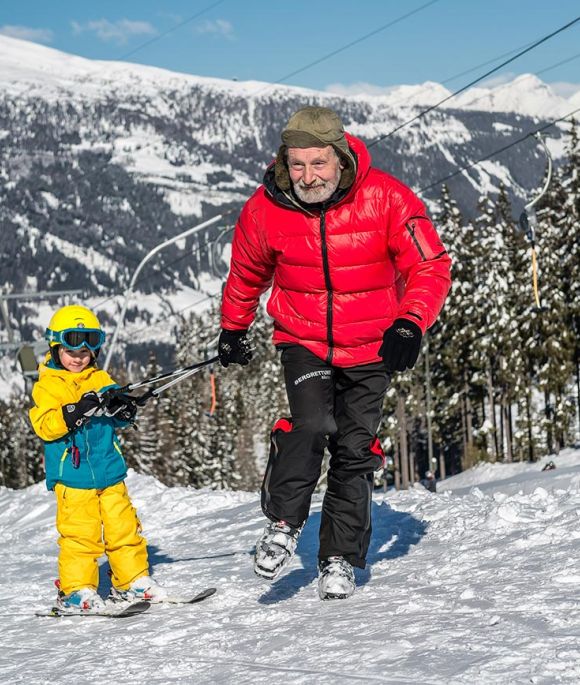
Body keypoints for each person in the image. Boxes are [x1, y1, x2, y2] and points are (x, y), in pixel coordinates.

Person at [218, 106, 451, 600]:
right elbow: (246, 273)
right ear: (285, 161)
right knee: (312, 425)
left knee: (353, 448)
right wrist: (234, 328)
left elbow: (430, 265)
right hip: (303, 339)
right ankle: (283, 522)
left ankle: (340, 556)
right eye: (297, 165)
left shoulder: (387, 198)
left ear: (340, 157)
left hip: (371, 346)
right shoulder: (266, 207)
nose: (307, 176)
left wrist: (410, 323)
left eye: (318, 163)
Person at [29, 304, 167, 613]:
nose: (79, 355)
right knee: (81, 534)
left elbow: (115, 412)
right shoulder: (48, 385)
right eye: (70, 346)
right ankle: (76, 590)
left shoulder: (101, 378)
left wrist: (124, 410)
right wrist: (73, 411)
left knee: (124, 528)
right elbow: (44, 426)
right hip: (74, 476)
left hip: (109, 471)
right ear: (55, 347)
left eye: (88, 345)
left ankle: (130, 581)